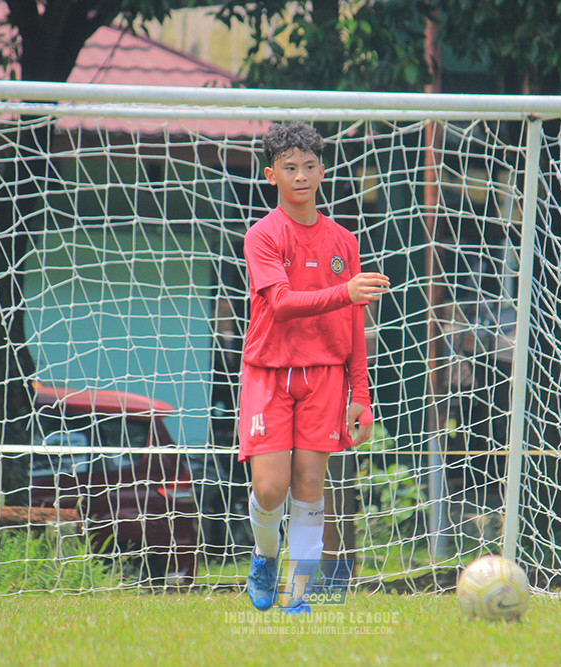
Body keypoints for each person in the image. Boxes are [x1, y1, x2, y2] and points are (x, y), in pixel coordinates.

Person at [238, 121, 390, 613]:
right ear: (271, 175)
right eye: (289, 168)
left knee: (309, 484)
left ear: (321, 171)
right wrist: (342, 292)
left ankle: (297, 593)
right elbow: (280, 303)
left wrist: (361, 395)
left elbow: (352, 327)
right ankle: (264, 556)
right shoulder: (263, 236)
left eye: (308, 167)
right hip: (269, 372)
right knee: (271, 485)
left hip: (324, 376)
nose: (300, 176)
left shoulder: (343, 242)